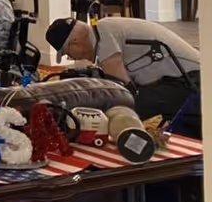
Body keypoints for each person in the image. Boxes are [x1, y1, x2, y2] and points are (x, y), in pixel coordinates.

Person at [46, 15, 201, 127]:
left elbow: (121, 89)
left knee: (118, 111)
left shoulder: (102, 32)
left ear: (75, 43)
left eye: (68, 53)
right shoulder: (104, 31)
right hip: (179, 79)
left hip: (190, 81)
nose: (72, 57)